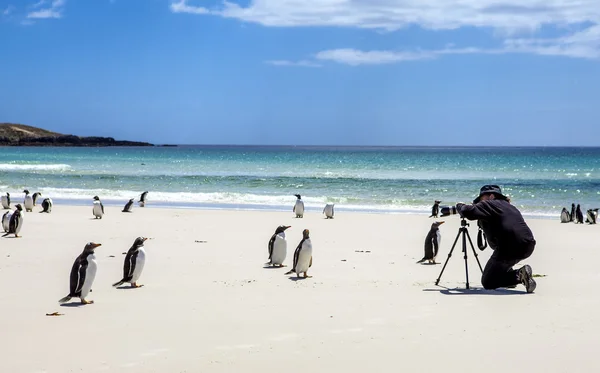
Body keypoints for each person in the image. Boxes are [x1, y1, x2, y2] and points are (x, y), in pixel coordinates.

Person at [455, 185, 537, 293]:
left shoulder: (490, 204)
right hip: (527, 245)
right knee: (503, 258)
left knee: (488, 282)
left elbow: (467, 211)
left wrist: (460, 206)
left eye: (482, 199)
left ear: (491, 196)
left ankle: (519, 274)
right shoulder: (510, 207)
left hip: (509, 246)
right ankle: (512, 276)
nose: (480, 202)